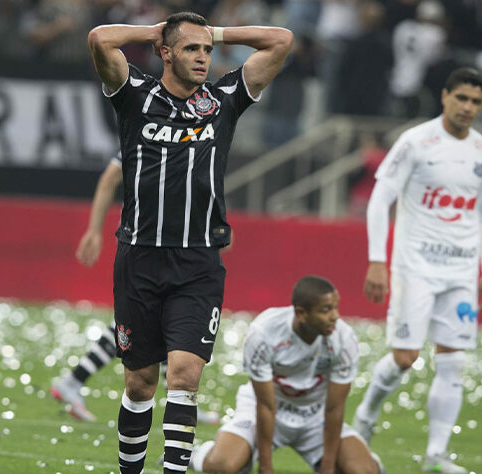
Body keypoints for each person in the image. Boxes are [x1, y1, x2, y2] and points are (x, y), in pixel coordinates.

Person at [88, 12, 292, 473]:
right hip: (138, 258)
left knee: (184, 375)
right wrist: (157, 31)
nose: (203, 57)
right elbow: (101, 39)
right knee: (140, 383)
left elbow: (280, 41)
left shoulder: (222, 101)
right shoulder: (134, 96)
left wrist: (212, 32)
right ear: (165, 53)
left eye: (207, 51)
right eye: (190, 49)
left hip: (198, 262)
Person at [353, 67, 482, 474]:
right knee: (404, 357)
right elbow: (380, 200)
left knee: (454, 361)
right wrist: (377, 260)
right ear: (445, 96)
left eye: (476, 102)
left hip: (461, 272)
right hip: (414, 266)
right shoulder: (415, 141)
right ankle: (365, 415)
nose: (468, 108)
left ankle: (436, 455)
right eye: (462, 99)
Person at [51, 153, 219, 425]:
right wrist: (93, 230)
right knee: (142, 323)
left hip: (154, 244)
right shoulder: (150, 131)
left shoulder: (153, 127)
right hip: (149, 245)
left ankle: (181, 397)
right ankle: (180, 398)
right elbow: (110, 178)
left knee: (151, 325)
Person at [187, 275, 384, 474]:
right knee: (224, 466)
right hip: (263, 408)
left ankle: (368, 461)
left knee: (365, 471)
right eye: (326, 310)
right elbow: (265, 405)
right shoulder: (264, 333)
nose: (335, 316)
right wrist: (265, 467)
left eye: (335, 307)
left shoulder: (343, 339)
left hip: (316, 415)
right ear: (301, 313)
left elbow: (334, 408)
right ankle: (199, 455)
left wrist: (328, 468)